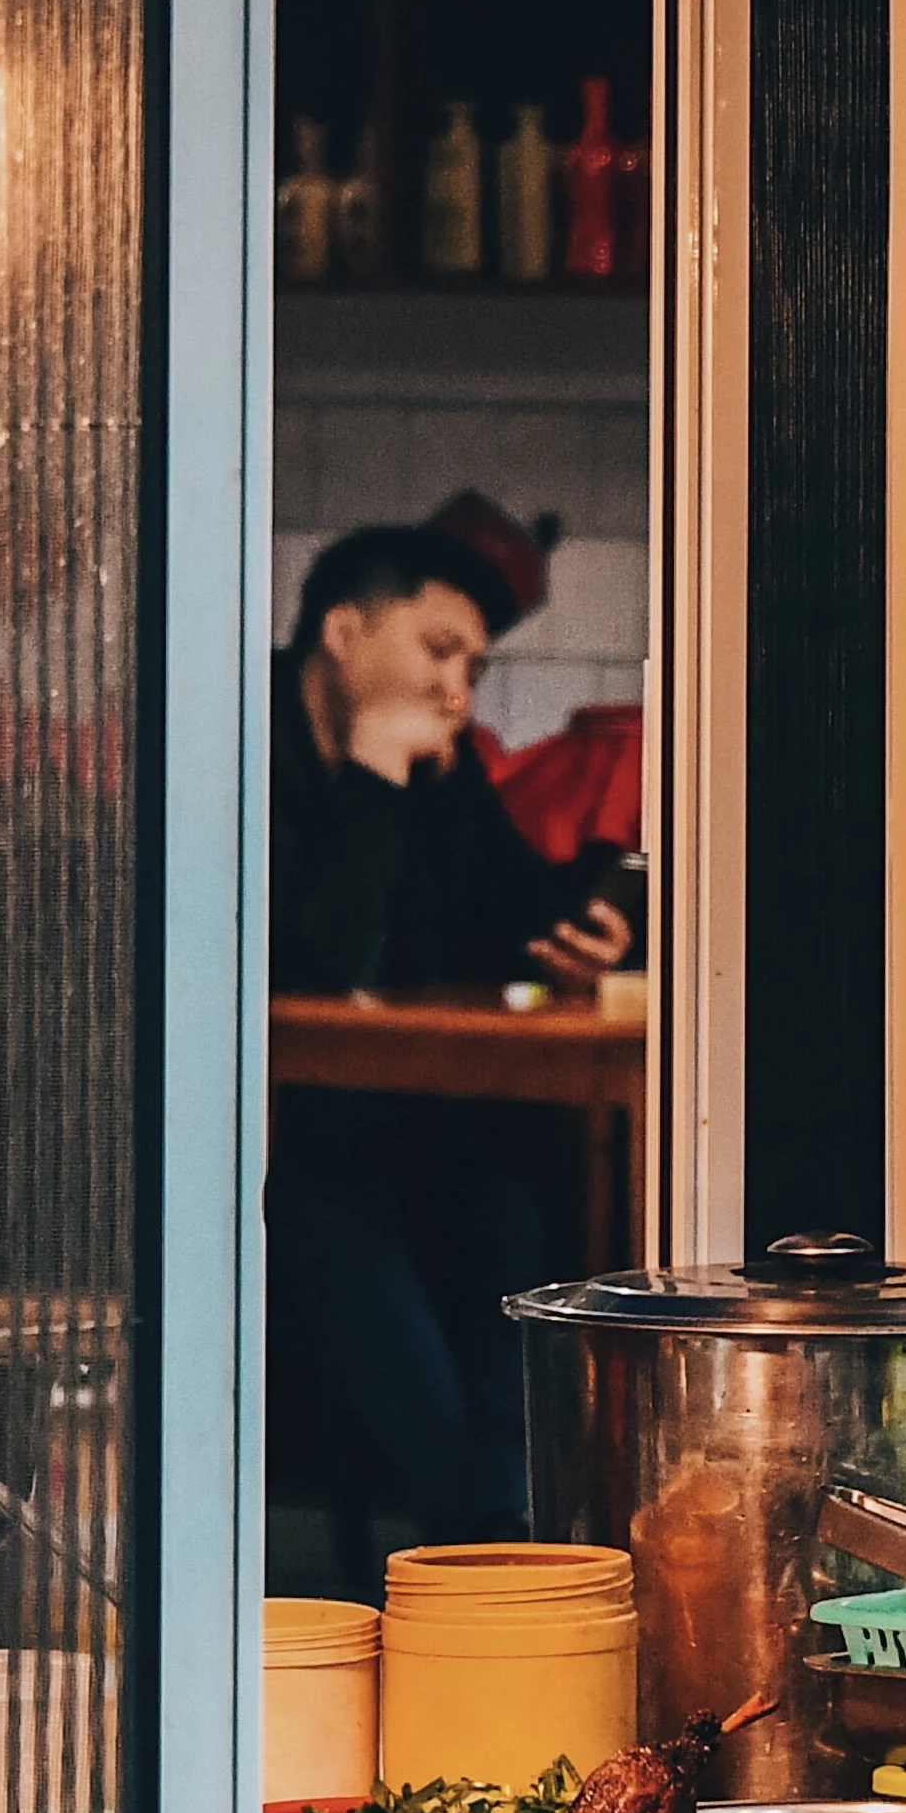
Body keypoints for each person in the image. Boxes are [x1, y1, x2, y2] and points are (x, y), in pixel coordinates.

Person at [268, 522, 632, 1547]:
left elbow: (514, 910)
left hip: (415, 1125)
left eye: (472, 663)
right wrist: (373, 783)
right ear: (342, 632)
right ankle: (480, 1535)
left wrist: (581, 939)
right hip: (273, 1143)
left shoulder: (447, 769)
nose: (457, 690)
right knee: (335, 1220)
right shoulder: (243, 744)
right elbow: (312, 962)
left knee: (509, 1215)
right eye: (437, 651)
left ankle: (508, 1520)